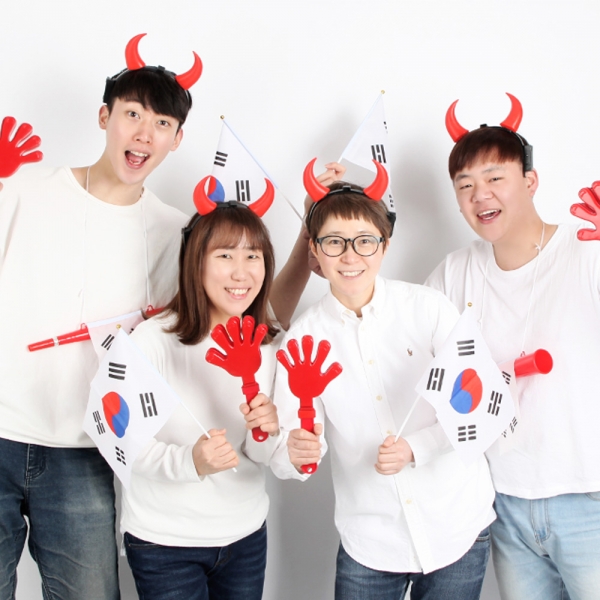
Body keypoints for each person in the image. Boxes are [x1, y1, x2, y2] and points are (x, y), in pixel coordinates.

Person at [0, 34, 202, 599]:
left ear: (177, 139)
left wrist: (307, 249)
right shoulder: (23, 188)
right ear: (104, 116)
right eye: (132, 114)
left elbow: (240, 304)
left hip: (86, 450)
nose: (144, 133)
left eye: (162, 123)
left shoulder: (177, 231)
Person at [270, 159, 496, 600]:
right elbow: (289, 448)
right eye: (333, 242)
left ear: (384, 245)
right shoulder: (301, 340)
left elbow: (482, 402)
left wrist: (417, 448)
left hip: (456, 526)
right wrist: (294, 454)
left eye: (364, 241)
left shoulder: (429, 308)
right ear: (314, 249)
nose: (350, 255)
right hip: (370, 542)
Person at [426, 94, 600, 600]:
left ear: (530, 181)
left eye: (495, 177)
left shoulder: (586, 249)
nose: (480, 195)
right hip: (504, 504)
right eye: (465, 185)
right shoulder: (455, 272)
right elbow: (402, 337)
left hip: (588, 497)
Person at [123, 182, 283, 599]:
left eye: (253, 256)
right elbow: (123, 441)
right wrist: (190, 461)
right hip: (164, 543)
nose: (241, 272)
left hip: (245, 534)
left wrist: (268, 430)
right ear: (196, 262)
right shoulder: (151, 340)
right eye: (225, 255)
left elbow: (263, 455)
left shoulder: (269, 344)